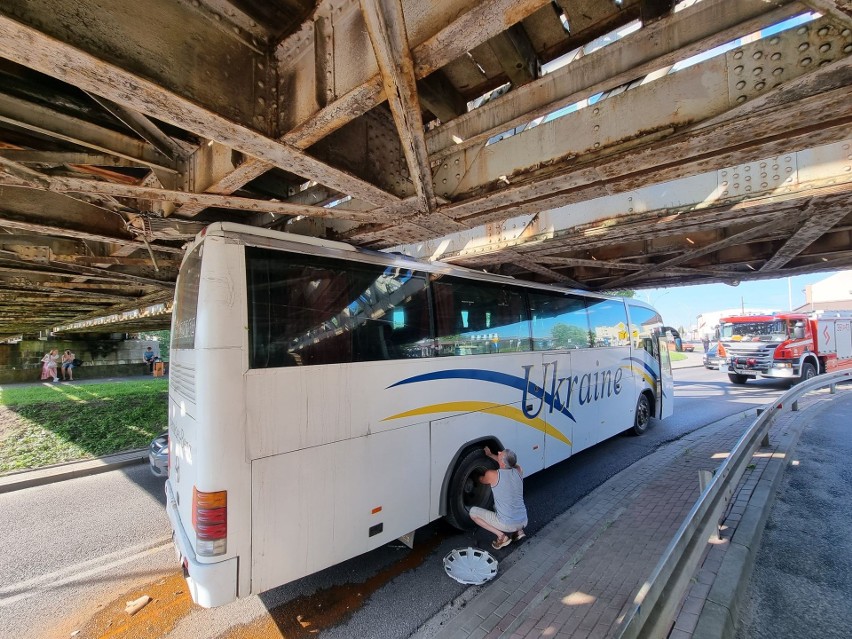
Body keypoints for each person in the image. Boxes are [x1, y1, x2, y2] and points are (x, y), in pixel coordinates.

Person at [470, 446, 528, 550]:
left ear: (501, 462)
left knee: (473, 512)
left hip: (507, 524)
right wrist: (490, 455)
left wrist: (475, 476)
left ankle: (502, 537)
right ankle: (518, 531)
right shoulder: (519, 470)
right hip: (523, 521)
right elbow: (508, 463)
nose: (499, 451)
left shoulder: (492, 474)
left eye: (500, 453)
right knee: (495, 505)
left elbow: (482, 480)